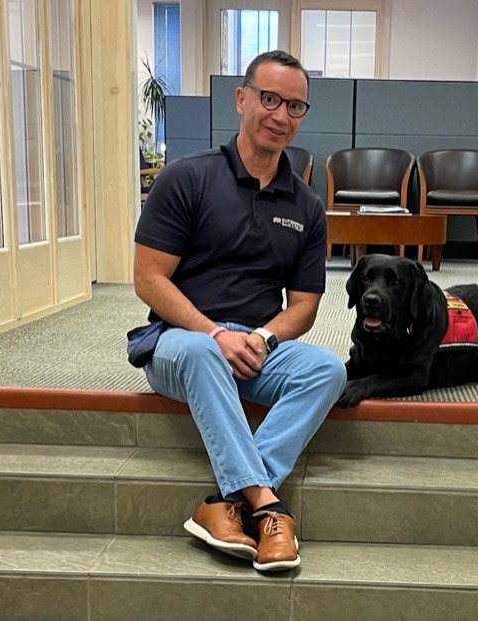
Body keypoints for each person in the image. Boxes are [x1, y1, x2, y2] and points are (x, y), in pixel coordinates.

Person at [132, 50, 347, 572]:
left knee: (328, 369)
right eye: (270, 99)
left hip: (254, 347)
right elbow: (148, 279)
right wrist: (213, 332)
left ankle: (223, 506)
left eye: (295, 106)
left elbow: (304, 308)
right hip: (181, 343)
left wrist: (264, 338)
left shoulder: (306, 206)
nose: (281, 116)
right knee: (207, 353)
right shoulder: (186, 178)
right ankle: (266, 507)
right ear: (241, 99)